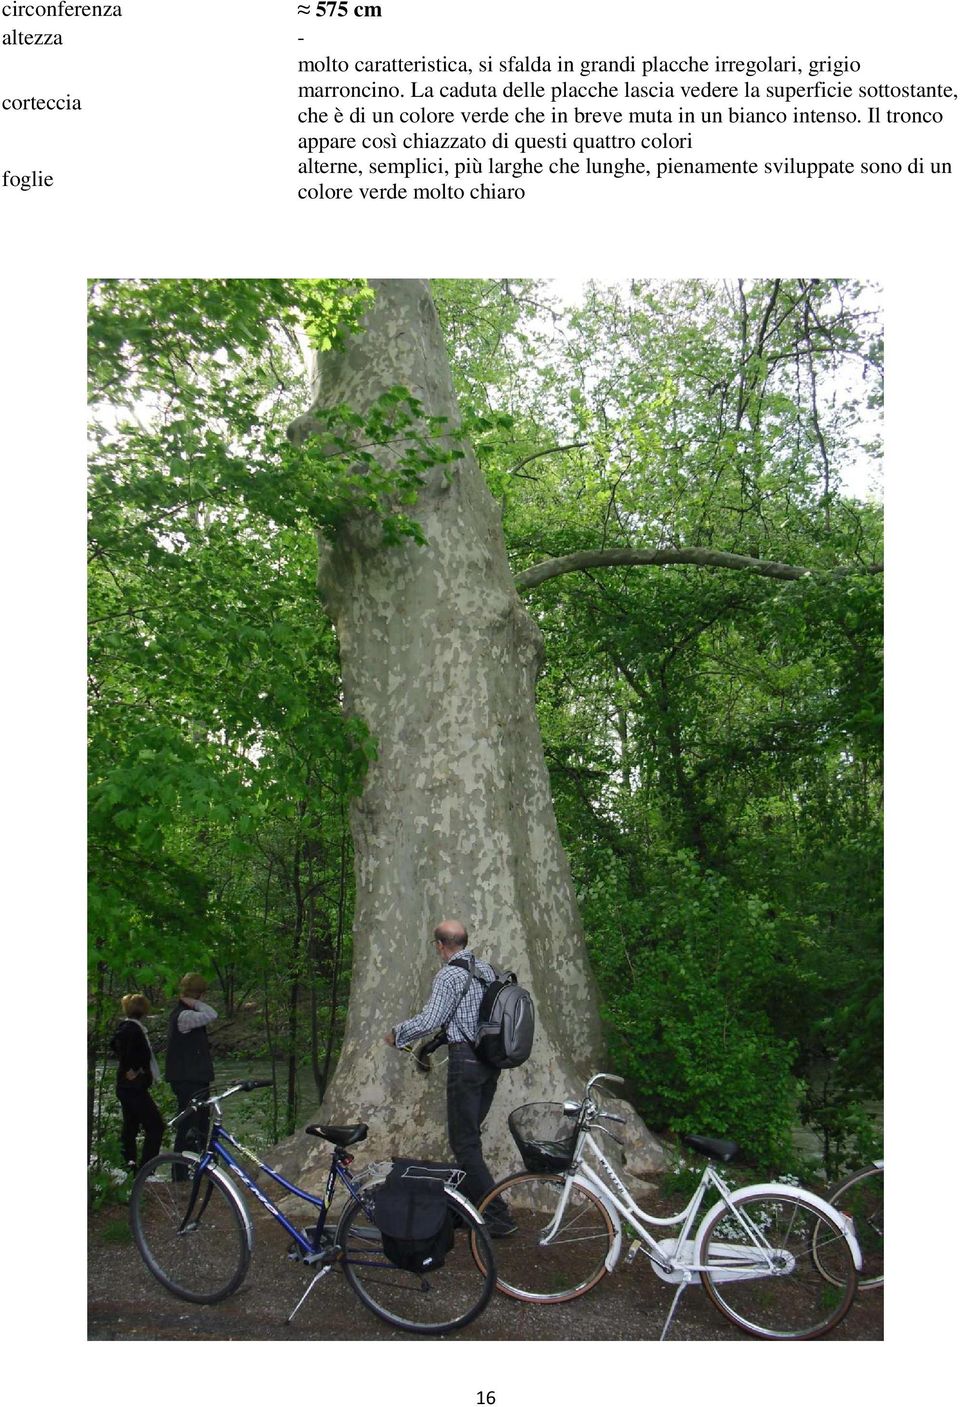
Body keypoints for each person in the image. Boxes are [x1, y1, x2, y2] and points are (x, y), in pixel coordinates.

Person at [385, 920, 516, 1236]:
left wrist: (397, 1034)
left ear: (440, 945)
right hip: (489, 1064)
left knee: (465, 1143)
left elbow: (433, 1018)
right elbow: (468, 1019)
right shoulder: (486, 970)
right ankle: (466, 1208)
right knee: (469, 1138)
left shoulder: (449, 974)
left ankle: (498, 1216)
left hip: (466, 1064)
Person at [165, 972, 217, 1158]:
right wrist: (192, 1001)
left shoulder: (185, 1014)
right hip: (188, 1079)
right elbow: (212, 1014)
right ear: (198, 994)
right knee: (189, 1125)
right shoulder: (185, 1015)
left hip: (195, 1078)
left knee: (200, 1123)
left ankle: (196, 1168)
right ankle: (181, 1172)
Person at [111, 993, 164, 1173]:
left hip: (127, 1086)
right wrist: (133, 1068)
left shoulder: (127, 1027)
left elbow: (114, 1044)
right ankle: (146, 1169)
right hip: (133, 1087)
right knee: (155, 1125)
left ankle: (129, 1167)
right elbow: (136, 1054)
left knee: (130, 1127)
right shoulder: (132, 1030)